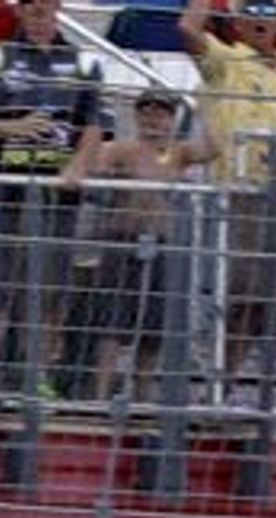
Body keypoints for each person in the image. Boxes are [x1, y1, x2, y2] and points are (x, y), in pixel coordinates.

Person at [0, 0, 108, 395]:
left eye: (48, 11)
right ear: (20, 12)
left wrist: (78, 168)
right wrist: (15, 127)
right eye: (34, 11)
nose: (42, 20)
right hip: (0, 192)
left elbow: (95, 126)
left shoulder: (85, 63)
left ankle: (38, 377)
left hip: (58, 197)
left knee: (52, 288)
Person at [185, 0, 276, 388]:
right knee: (237, 291)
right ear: (238, 24)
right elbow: (188, 31)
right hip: (236, 191)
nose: (261, 23)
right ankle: (212, 374)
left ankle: (227, 375)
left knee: (264, 300)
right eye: (252, 16)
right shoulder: (227, 59)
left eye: (268, 16)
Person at [64, 87, 215, 393]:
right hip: (122, 240)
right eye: (146, 112)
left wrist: (205, 110)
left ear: (172, 119)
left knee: (155, 324)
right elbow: (95, 167)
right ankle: (100, 393)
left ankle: (143, 391)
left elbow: (213, 149)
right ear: (136, 116)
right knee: (113, 322)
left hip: (161, 243)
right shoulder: (121, 149)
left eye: (160, 113)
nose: (153, 119)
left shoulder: (179, 152)